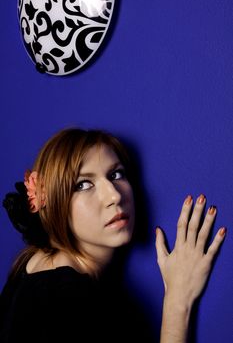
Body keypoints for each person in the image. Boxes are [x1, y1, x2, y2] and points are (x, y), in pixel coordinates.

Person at [0, 127, 226, 343]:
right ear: (52, 201)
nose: (114, 196)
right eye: (83, 184)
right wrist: (178, 304)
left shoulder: (34, 267)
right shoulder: (64, 298)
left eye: (116, 174)